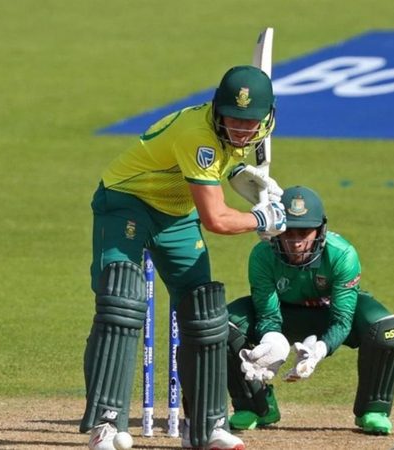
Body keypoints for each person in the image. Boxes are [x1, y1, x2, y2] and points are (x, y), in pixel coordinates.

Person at [80, 65, 287, 450]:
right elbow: (217, 219)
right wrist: (262, 218)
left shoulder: (237, 135)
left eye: (249, 122)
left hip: (176, 212)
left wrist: (246, 177)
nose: (241, 130)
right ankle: (106, 424)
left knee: (203, 311)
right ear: (217, 111)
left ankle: (206, 425)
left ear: (267, 117)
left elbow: (222, 165)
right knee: (120, 301)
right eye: (233, 119)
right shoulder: (199, 136)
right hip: (127, 200)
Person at [226, 185, 394, 436]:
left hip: (329, 315)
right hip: (284, 314)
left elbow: (342, 319)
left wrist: (319, 351)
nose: (296, 242)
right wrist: (273, 341)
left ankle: (373, 410)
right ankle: (256, 406)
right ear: (276, 229)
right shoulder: (262, 255)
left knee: (389, 330)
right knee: (225, 325)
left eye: (304, 232)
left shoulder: (342, 254)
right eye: (288, 232)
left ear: (320, 230)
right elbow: (268, 315)